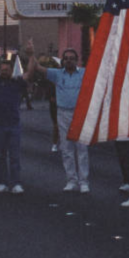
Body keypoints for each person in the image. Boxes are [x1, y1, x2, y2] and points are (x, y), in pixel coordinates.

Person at [26, 41, 90, 192]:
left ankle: (84, 182)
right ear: (62, 60)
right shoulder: (56, 74)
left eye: (72, 58)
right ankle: (71, 180)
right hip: (63, 113)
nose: (69, 60)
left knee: (81, 149)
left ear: (76, 60)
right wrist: (31, 54)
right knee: (66, 148)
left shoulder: (84, 73)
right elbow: (37, 68)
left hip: (79, 114)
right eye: (66, 58)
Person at [0, 40, 27, 193]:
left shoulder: (17, 83)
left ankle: (16, 183)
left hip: (13, 124)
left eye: (6, 69)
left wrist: (31, 54)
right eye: (2, 69)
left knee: (14, 156)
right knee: (1, 156)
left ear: (11, 71)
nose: (3, 71)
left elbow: (29, 73)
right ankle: (2, 182)